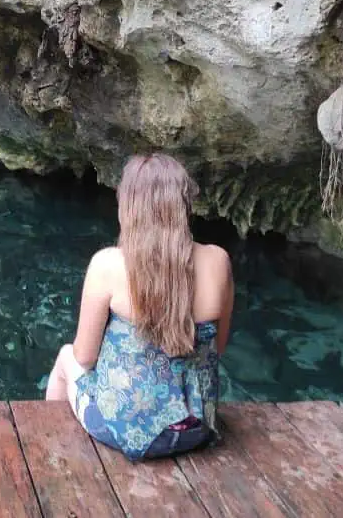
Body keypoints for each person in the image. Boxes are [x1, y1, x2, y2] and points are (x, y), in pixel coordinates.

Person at [45, 153, 234, 461]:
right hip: (197, 430)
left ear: (129, 206)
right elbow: (219, 347)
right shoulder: (219, 260)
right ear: (183, 205)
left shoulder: (107, 264)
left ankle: (47, 443)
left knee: (67, 357)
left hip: (124, 431)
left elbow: (85, 356)